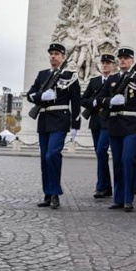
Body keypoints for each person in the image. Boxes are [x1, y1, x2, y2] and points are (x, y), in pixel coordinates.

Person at [27, 42, 81, 209]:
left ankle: (55, 192)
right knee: (45, 159)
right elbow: (30, 95)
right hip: (44, 120)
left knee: (52, 155)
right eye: (51, 53)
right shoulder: (42, 75)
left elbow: (76, 102)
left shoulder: (70, 76)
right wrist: (42, 96)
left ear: (63, 57)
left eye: (57, 54)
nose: (53, 56)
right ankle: (48, 194)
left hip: (60, 119)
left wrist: (75, 125)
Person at [99, 46, 136, 211]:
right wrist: (109, 102)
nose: (122, 60)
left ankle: (129, 198)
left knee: (127, 159)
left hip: (132, 124)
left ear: (132, 61)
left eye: (126, 58)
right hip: (115, 124)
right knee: (117, 162)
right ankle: (119, 198)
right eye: (120, 58)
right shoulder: (112, 79)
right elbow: (100, 97)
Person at [81, 53, 116, 199]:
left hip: (108, 121)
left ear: (113, 65)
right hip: (95, 120)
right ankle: (105, 186)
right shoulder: (94, 81)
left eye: (108, 63)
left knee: (102, 150)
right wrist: (93, 103)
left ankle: (101, 186)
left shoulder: (116, 80)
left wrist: (100, 101)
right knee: (99, 153)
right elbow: (84, 99)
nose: (105, 65)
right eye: (103, 63)